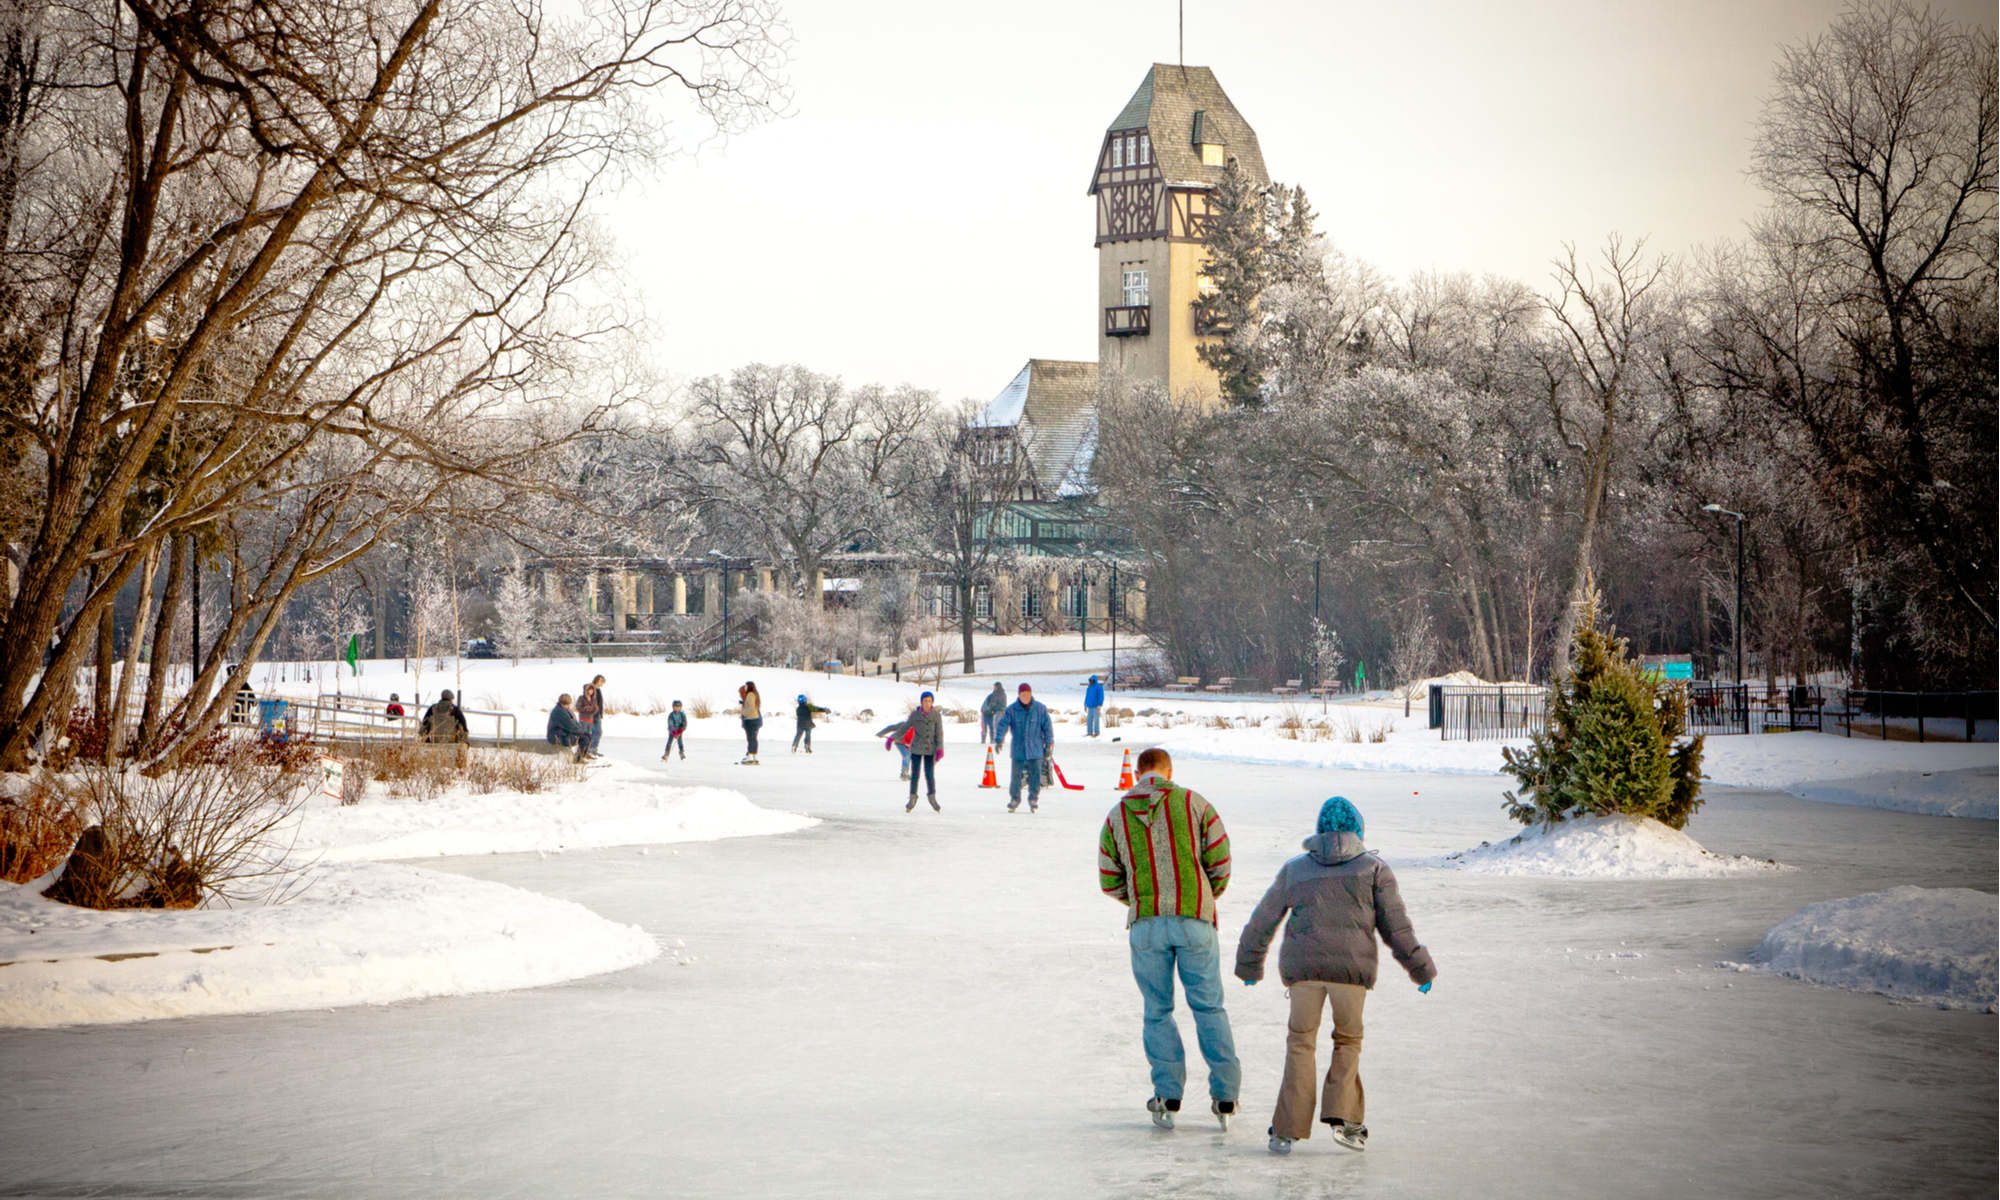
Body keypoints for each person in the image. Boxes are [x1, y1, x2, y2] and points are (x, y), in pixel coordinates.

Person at [1234, 796, 1437, 1156]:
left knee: (1300, 1042)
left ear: (1320, 831)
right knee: (1348, 1039)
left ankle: (1286, 1130)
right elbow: (1396, 927)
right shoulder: (1374, 869)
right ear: (1358, 831)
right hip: (1351, 972)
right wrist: (1419, 967)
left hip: (1304, 973)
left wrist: (1250, 965)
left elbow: (1263, 919)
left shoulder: (1295, 869)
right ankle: (1345, 1119)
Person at [1097, 748, 1240, 1131]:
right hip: (1194, 918)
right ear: (1168, 772)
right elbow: (1221, 859)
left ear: (1138, 775)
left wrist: (1143, 899)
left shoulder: (1116, 816)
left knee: (1157, 1010)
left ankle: (1168, 1094)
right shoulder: (1194, 803)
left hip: (1146, 924)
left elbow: (1108, 877)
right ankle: (1225, 1095)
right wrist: (1204, 894)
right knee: (1209, 1007)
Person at [992, 683, 1053, 813]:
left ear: (1031, 694)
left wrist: (1049, 744)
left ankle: (1033, 798)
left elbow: (1047, 728)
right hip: (1018, 749)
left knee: (1035, 776)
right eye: (1023, 694)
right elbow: (1003, 724)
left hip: (1035, 749)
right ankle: (1015, 798)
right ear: (1019, 695)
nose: (1026, 697)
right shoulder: (1012, 710)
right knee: (1015, 777)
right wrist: (999, 740)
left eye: (1028, 694)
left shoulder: (1040, 709)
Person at [901, 691, 945, 813]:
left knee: (929, 775)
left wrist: (940, 748)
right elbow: (905, 727)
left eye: (929, 701)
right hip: (916, 748)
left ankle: (932, 797)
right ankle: (912, 798)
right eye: (925, 701)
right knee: (915, 775)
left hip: (930, 749)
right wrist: (892, 738)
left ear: (932, 702)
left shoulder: (936, 715)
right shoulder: (915, 715)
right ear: (921, 702)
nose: (927, 703)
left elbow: (939, 733)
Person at [547, 694, 585, 760]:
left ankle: (580, 756)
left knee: (586, 736)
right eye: (567, 704)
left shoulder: (565, 710)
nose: (568, 706)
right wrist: (581, 732)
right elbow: (570, 725)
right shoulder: (559, 712)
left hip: (563, 734)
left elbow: (574, 723)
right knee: (584, 739)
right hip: (557, 737)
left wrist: (580, 730)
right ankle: (578, 759)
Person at [875, 714, 913, 781]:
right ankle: (904, 774)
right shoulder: (903, 725)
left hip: (911, 744)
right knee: (907, 756)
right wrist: (881, 733)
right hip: (900, 743)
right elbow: (891, 727)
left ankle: (909, 773)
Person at [577, 675, 607, 757]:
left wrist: (600, 713)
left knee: (598, 732)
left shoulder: (598, 690)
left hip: (597, 714)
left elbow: (599, 703)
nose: (602, 683)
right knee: (592, 732)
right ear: (597, 680)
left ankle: (593, 748)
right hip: (590, 715)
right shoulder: (591, 688)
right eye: (601, 681)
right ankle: (589, 749)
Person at [738, 681, 762, 764]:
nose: (745, 688)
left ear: (749, 686)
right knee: (753, 738)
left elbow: (751, 708)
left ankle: (751, 755)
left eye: (746, 686)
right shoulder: (754, 694)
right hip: (753, 719)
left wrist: (744, 714)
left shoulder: (750, 695)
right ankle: (753, 755)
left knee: (751, 738)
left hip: (751, 719)